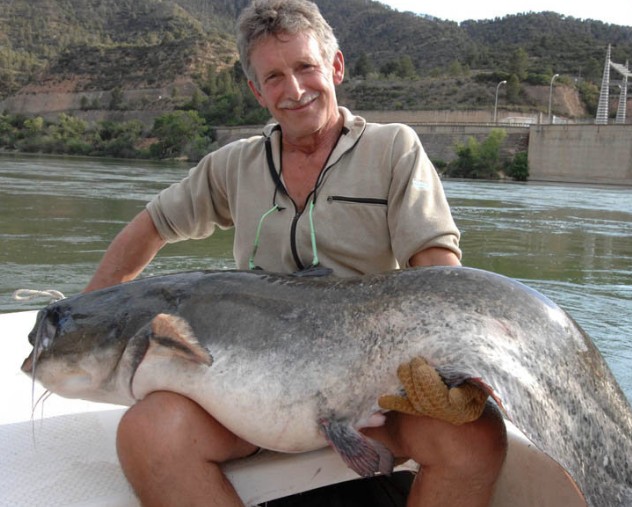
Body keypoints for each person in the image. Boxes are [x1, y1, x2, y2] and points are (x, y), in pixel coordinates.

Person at [84, 1, 507, 506]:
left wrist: (453, 362)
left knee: (477, 438)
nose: (295, 89)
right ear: (256, 90)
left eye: (306, 67)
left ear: (336, 66)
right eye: (274, 76)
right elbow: (151, 226)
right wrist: (89, 311)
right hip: (249, 398)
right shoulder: (232, 166)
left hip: (372, 389)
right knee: (149, 433)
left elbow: (437, 270)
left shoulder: (394, 149)